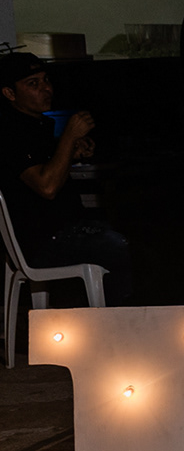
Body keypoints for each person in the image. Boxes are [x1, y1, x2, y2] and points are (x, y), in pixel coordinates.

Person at [0, 52, 133, 302]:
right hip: (43, 241)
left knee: (139, 233)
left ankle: (125, 316)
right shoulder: (10, 132)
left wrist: (71, 151)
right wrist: (69, 137)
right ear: (9, 93)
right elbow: (47, 186)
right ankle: (116, 320)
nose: (46, 88)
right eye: (33, 83)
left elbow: (48, 168)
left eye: (46, 80)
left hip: (66, 229)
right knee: (119, 246)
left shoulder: (35, 126)